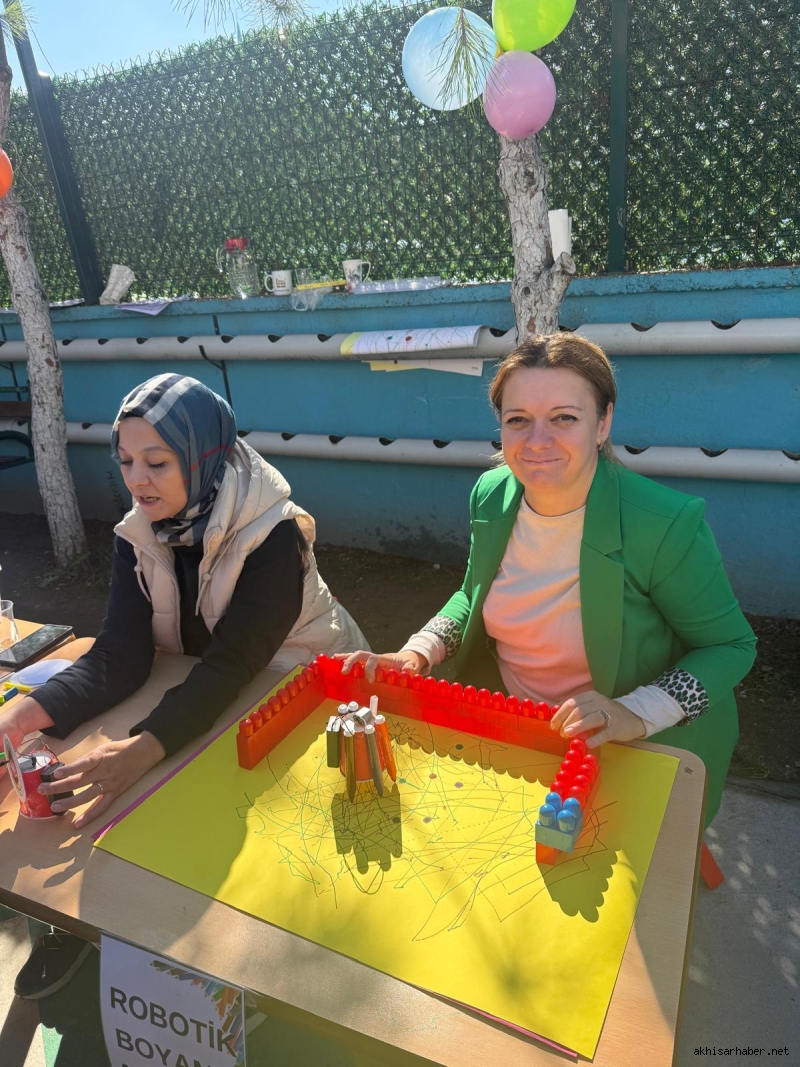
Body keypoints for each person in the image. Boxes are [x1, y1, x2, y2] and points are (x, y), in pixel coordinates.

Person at [341, 334, 756, 828]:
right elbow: (474, 594)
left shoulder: (663, 523)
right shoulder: (491, 493)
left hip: (625, 746)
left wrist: (634, 712)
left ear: (603, 423)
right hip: (515, 728)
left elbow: (730, 646)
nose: (537, 441)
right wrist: (417, 652)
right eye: (518, 420)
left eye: (564, 418)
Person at [4, 373, 368, 830]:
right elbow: (119, 653)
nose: (136, 480)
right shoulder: (139, 531)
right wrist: (17, 720)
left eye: (156, 462)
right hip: (216, 695)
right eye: (125, 461)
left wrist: (142, 750)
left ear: (204, 458)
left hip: (314, 691)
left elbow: (231, 663)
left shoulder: (273, 534)